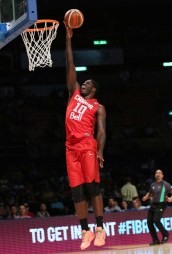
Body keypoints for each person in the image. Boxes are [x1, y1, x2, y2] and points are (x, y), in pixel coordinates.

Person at [64, 22, 106, 251]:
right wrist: (69, 38)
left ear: (94, 90)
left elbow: (101, 131)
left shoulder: (98, 106)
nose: (85, 82)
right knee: (76, 191)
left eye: (88, 83)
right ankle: (85, 231)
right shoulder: (74, 93)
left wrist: (99, 151)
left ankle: (100, 227)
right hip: (70, 148)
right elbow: (70, 64)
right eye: (84, 81)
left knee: (92, 187)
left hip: (87, 145)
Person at [142, 169, 172, 246]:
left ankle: (165, 234)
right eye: (156, 173)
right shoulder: (153, 185)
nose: (158, 174)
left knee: (156, 220)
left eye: (159, 173)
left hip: (161, 205)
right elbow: (150, 193)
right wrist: (146, 197)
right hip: (153, 205)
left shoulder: (166, 184)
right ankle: (155, 240)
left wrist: (171, 198)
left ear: (162, 175)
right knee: (149, 222)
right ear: (155, 175)